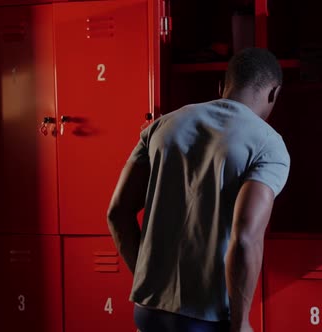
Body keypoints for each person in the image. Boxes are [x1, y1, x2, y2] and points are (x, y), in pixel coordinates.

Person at [107, 47, 290, 332]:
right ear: (273, 94)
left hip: (149, 312)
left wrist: (146, 279)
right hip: (207, 317)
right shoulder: (268, 144)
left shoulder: (162, 126)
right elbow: (245, 239)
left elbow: (117, 213)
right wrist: (241, 323)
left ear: (222, 87)